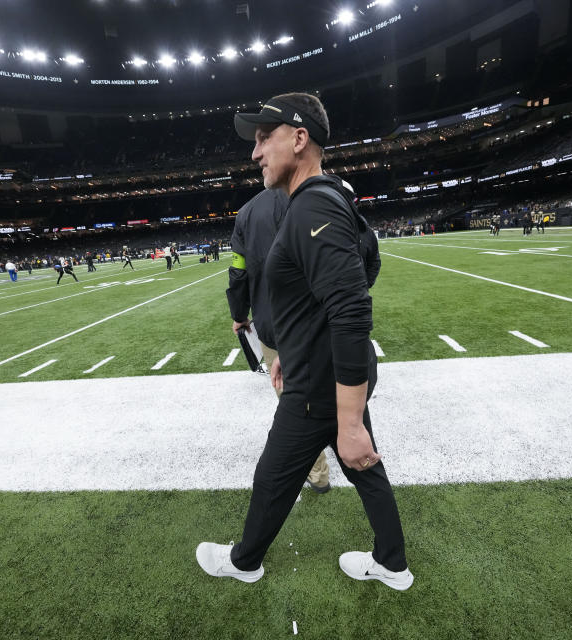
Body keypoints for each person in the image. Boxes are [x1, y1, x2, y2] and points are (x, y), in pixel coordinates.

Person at [198, 92, 412, 591]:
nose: (255, 153)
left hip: (321, 383)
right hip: (318, 369)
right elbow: (359, 271)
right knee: (362, 466)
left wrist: (349, 417)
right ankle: (393, 563)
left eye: (263, 138)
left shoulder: (313, 203)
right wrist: (293, 352)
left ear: (299, 139)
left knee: (275, 474)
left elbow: (352, 306)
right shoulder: (322, 198)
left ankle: (245, 561)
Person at [227, 187, 332, 494]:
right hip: (320, 317)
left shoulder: (246, 213)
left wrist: (238, 313)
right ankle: (350, 451)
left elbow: (238, 271)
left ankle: (318, 474)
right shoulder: (314, 194)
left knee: (293, 399)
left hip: (275, 323)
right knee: (329, 387)